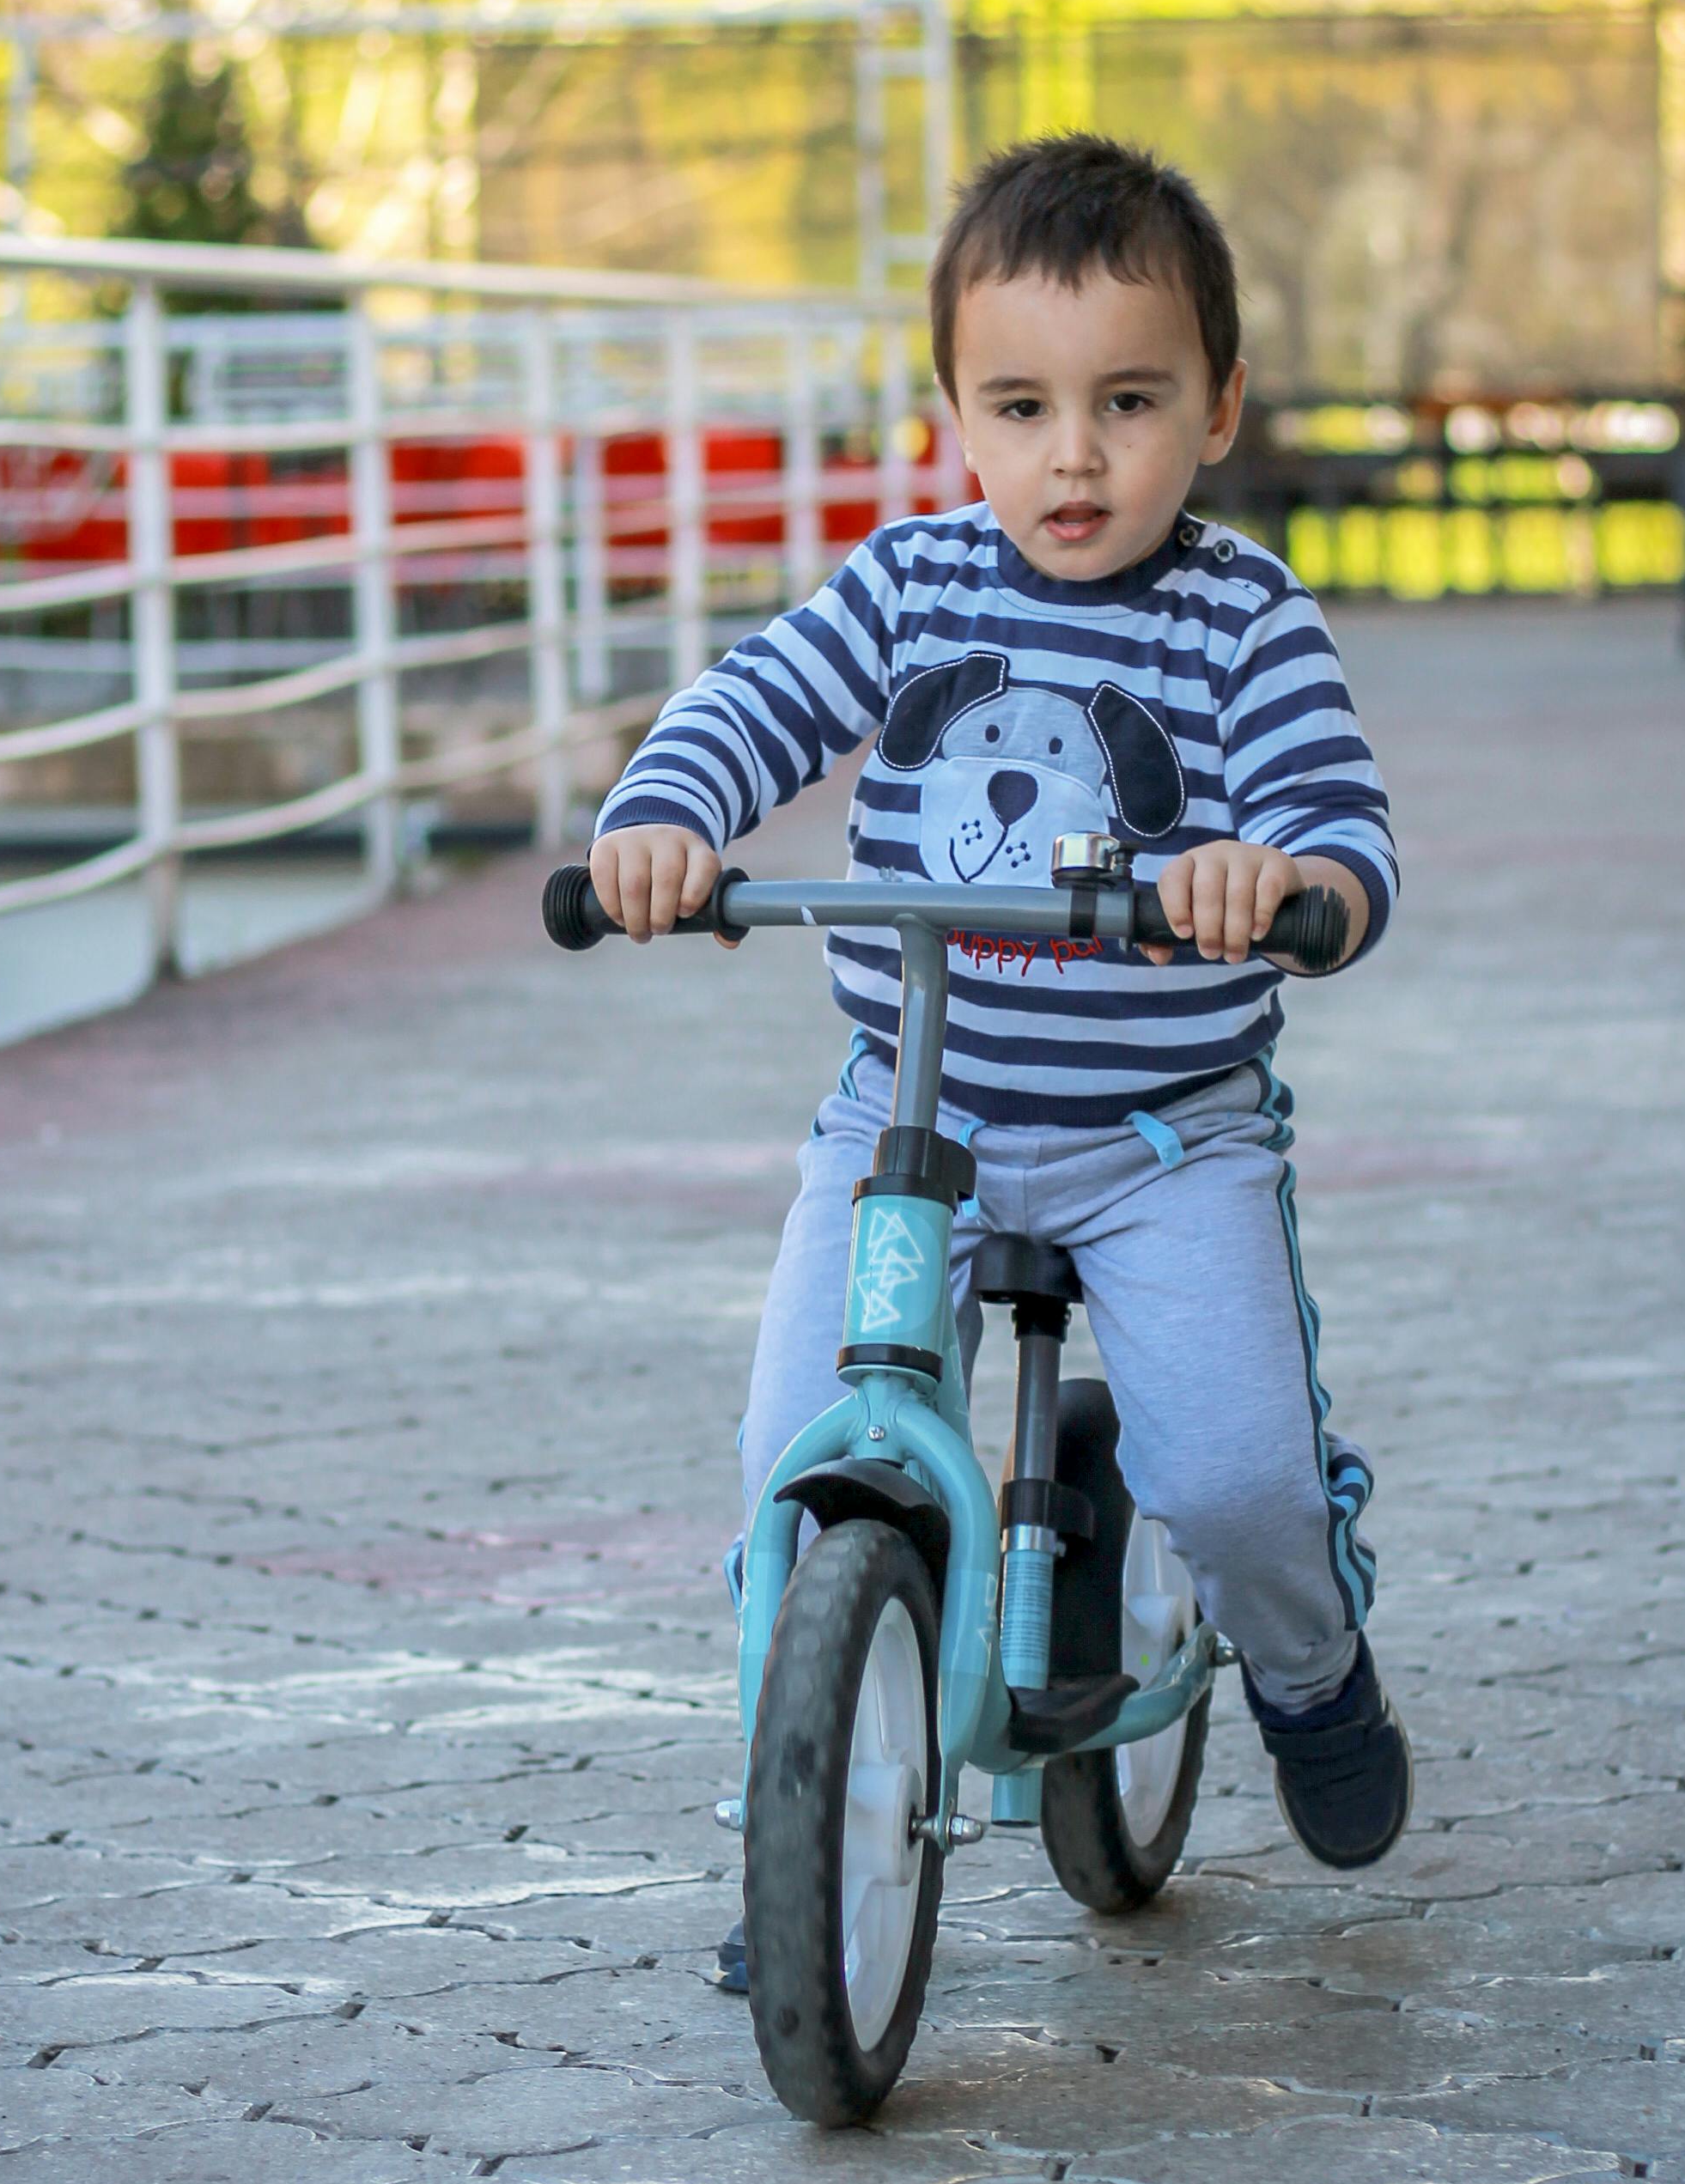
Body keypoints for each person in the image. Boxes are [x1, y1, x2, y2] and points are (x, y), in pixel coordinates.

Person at [588, 132, 1411, 1997]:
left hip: (1159, 1139)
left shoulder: (1241, 621)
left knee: (1235, 1479)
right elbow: (749, 702)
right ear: (953, 410)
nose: (1074, 456)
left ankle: (1302, 1666)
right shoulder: (908, 588)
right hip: (911, 1120)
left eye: (1129, 403)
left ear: (1214, 409)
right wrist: (662, 819)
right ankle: (796, 1814)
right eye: (1020, 406)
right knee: (790, 1458)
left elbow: (1342, 844)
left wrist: (1271, 880)